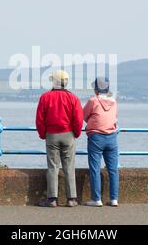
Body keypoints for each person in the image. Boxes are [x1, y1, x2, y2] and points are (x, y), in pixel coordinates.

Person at [35, 70, 83, 207]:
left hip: (51, 135)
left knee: (52, 167)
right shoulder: (73, 98)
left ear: (54, 81)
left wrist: (43, 134)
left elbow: (39, 119)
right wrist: (76, 133)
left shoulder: (45, 97)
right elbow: (78, 119)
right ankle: (71, 198)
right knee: (69, 166)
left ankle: (52, 199)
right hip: (68, 134)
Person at [83, 77, 119, 207]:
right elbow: (115, 118)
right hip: (112, 137)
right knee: (113, 169)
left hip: (96, 137)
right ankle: (114, 198)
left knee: (95, 168)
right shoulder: (114, 102)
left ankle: (96, 199)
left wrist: (93, 122)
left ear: (96, 88)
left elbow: (84, 115)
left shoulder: (93, 101)